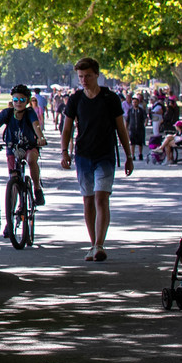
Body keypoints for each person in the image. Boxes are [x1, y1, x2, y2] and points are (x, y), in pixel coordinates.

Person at [60, 57, 134, 262]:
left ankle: (100, 244)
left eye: (88, 76)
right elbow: (67, 128)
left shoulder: (110, 98)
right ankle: (93, 244)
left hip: (105, 156)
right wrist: (64, 151)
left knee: (102, 197)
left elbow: (121, 129)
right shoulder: (75, 99)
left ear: (97, 75)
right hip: (83, 155)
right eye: (81, 77)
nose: (84, 80)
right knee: (88, 200)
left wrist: (129, 156)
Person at [0, 84, 47, 221]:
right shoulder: (7, 113)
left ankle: (37, 189)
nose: (18, 103)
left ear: (27, 101)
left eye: (22, 100)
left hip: (29, 146)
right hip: (12, 148)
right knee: (13, 180)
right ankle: (11, 216)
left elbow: (36, 125)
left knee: (32, 159)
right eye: (16, 100)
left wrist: (40, 137)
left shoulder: (30, 113)